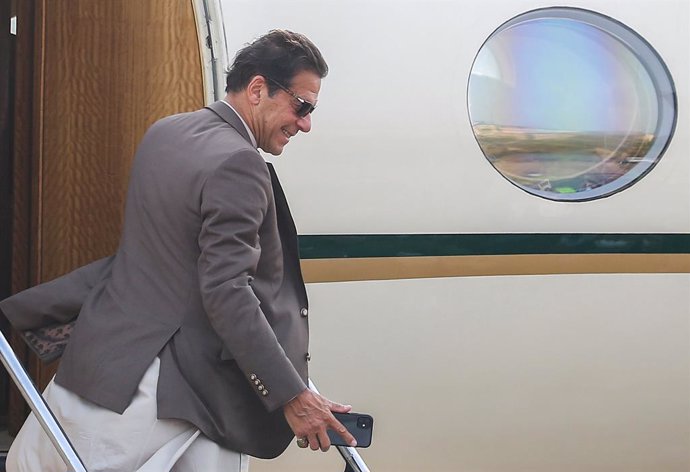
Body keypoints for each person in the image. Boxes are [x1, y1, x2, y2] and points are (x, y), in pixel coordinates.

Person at [0, 29, 356, 472]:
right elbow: (227, 290)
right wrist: (292, 395)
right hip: (174, 396)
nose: (305, 123)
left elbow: (161, 255)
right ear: (258, 88)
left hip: (102, 368)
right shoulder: (240, 162)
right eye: (301, 107)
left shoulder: (166, 131)